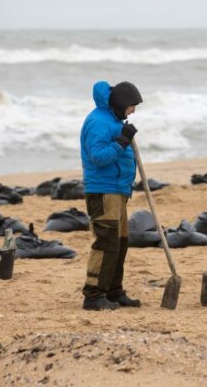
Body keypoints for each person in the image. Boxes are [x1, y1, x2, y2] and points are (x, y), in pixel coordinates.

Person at [80, 80, 143, 311]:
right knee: (106, 241)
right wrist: (122, 141)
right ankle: (93, 294)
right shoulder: (98, 121)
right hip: (103, 190)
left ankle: (114, 291)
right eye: (131, 106)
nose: (133, 110)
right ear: (120, 103)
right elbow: (98, 156)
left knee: (120, 242)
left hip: (117, 190)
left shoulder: (114, 120)